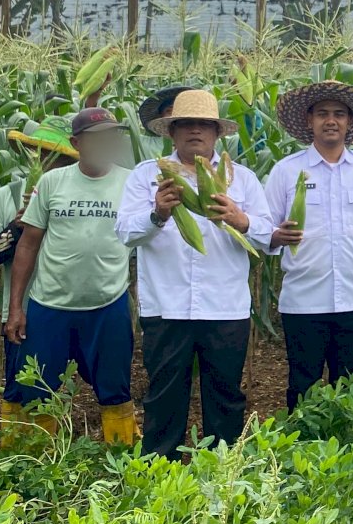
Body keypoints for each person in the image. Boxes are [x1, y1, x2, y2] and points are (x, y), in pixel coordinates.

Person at [115, 89, 273, 458]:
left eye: (204, 125)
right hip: (166, 307)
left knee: (226, 397)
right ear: (171, 132)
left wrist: (240, 219)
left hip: (225, 308)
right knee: (164, 396)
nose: (194, 131)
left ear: (218, 132)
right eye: (185, 124)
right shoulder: (147, 176)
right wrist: (157, 214)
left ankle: (224, 471)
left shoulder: (243, 179)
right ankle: (160, 472)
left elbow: (267, 238)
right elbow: (125, 232)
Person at [265, 80, 353, 410]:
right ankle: (301, 453)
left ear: (349, 123)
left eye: (339, 114)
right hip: (303, 302)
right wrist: (277, 236)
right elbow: (263, 229)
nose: (331, 120)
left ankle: (346, 454)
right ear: (309, 121)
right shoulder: (286, 171)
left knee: (352, 386)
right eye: (323, 114)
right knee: (303, 385)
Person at [4, 108, 136, 445]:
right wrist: (16, 308)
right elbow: (28, 245)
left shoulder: (131, 182)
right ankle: (30, 456)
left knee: (114, 385)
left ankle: (120, 456)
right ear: (77, 143)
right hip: (50, 303)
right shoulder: (52, 182)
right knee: (36, 385)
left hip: (108, 302)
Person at [0, 116, 80, 323]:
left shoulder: (80, 198)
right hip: (22, 312)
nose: (43, 160)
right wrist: (16, 229)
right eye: (38, 152)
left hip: (74, 310)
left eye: (56, 156)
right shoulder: (6, 196)